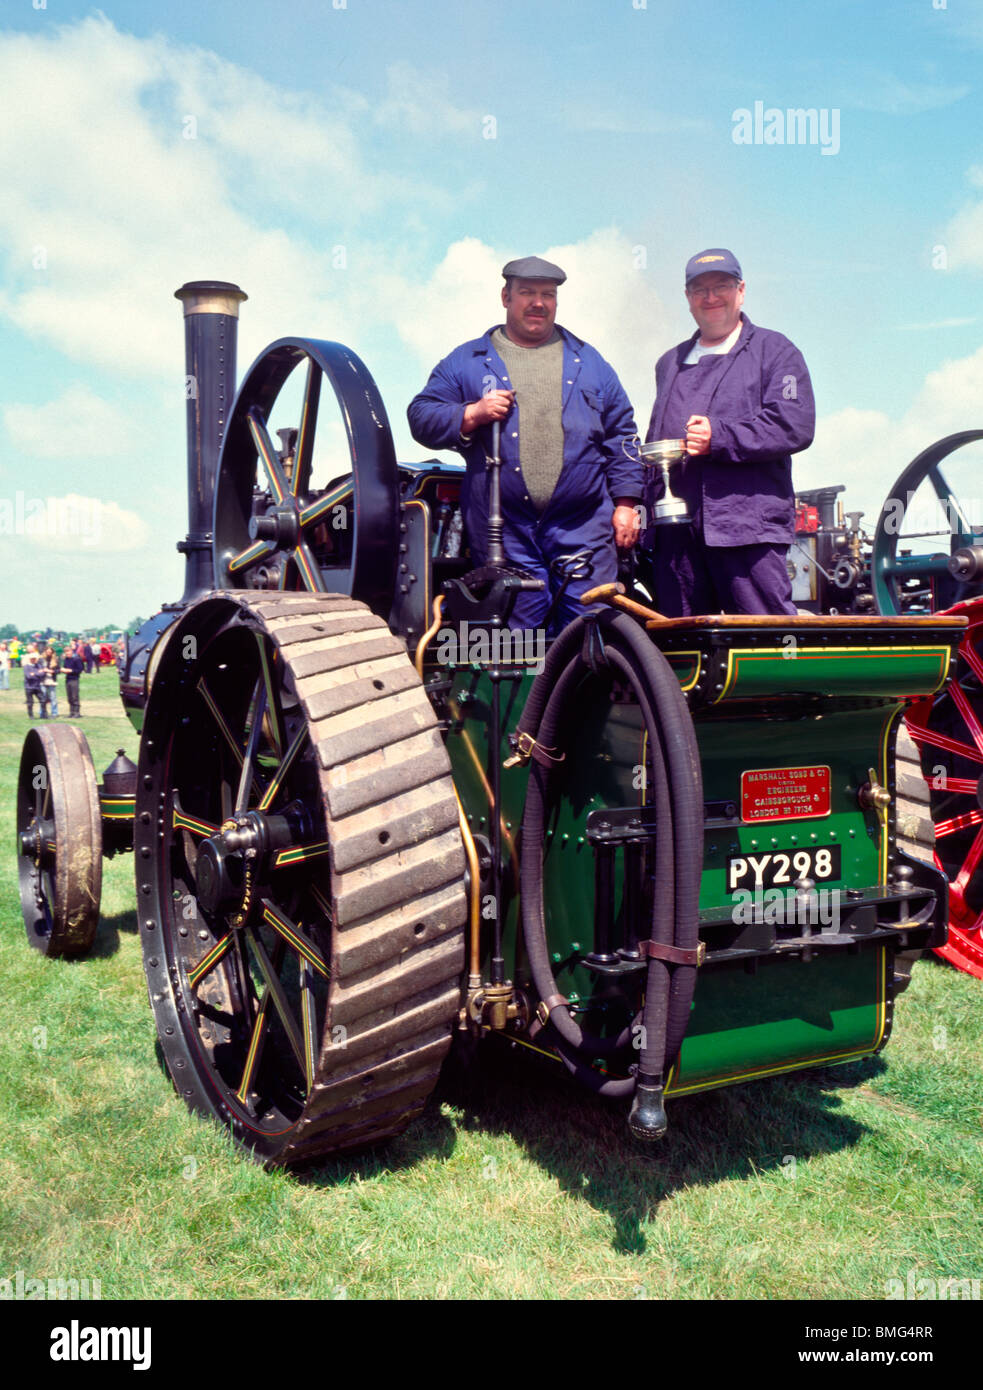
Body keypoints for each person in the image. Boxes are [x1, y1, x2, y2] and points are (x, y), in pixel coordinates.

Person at [407, 255, 642, 631]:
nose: (538, 302)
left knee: (592, 631)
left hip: (583, 528)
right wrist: (473, 414)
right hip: (506, 532)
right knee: (518, 641)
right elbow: (421, 416)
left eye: (547, 294)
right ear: (506, 297)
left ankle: (582, 691)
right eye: (527, 293)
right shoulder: (467, 360)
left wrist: (627, 505)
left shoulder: (590, 361)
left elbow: (623, 434)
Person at [643, 248, 815, 616]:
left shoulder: (777, 352)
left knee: (761, 639)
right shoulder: (669, 363)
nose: (710, 297)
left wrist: (720, 437)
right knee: (681, 644)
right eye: (699, 289)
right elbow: (655, 439)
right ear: (688, 298)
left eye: (721, 286)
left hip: (747, 529)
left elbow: (794, 424)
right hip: (676, 536)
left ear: (741, 290)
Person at [63, 640, 85, 717]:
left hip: (74, 679)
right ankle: (71, 712)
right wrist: (64, 670)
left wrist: (71, 670)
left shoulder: (76, 659)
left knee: (74, 696)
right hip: (68, 679)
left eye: (68, 651)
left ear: (71, 651)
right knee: (69, 697)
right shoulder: (66, 659)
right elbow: (65, 667)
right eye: (66, 652)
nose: (67, 653)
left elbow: (80, 669)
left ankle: (77, 712)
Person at [23, 646, 44, 719]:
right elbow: (28, 676)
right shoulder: (26, 667)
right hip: (29, 687)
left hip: (37, 686)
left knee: (43, 700)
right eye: (32, 659)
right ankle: (31, 715)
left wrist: (34, 673)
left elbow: (42, 674)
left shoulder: (39, 665)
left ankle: (44, 715)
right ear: (30, 659)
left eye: (35, 659)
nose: (33, 660)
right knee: (30, 702)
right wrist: (37, 673)